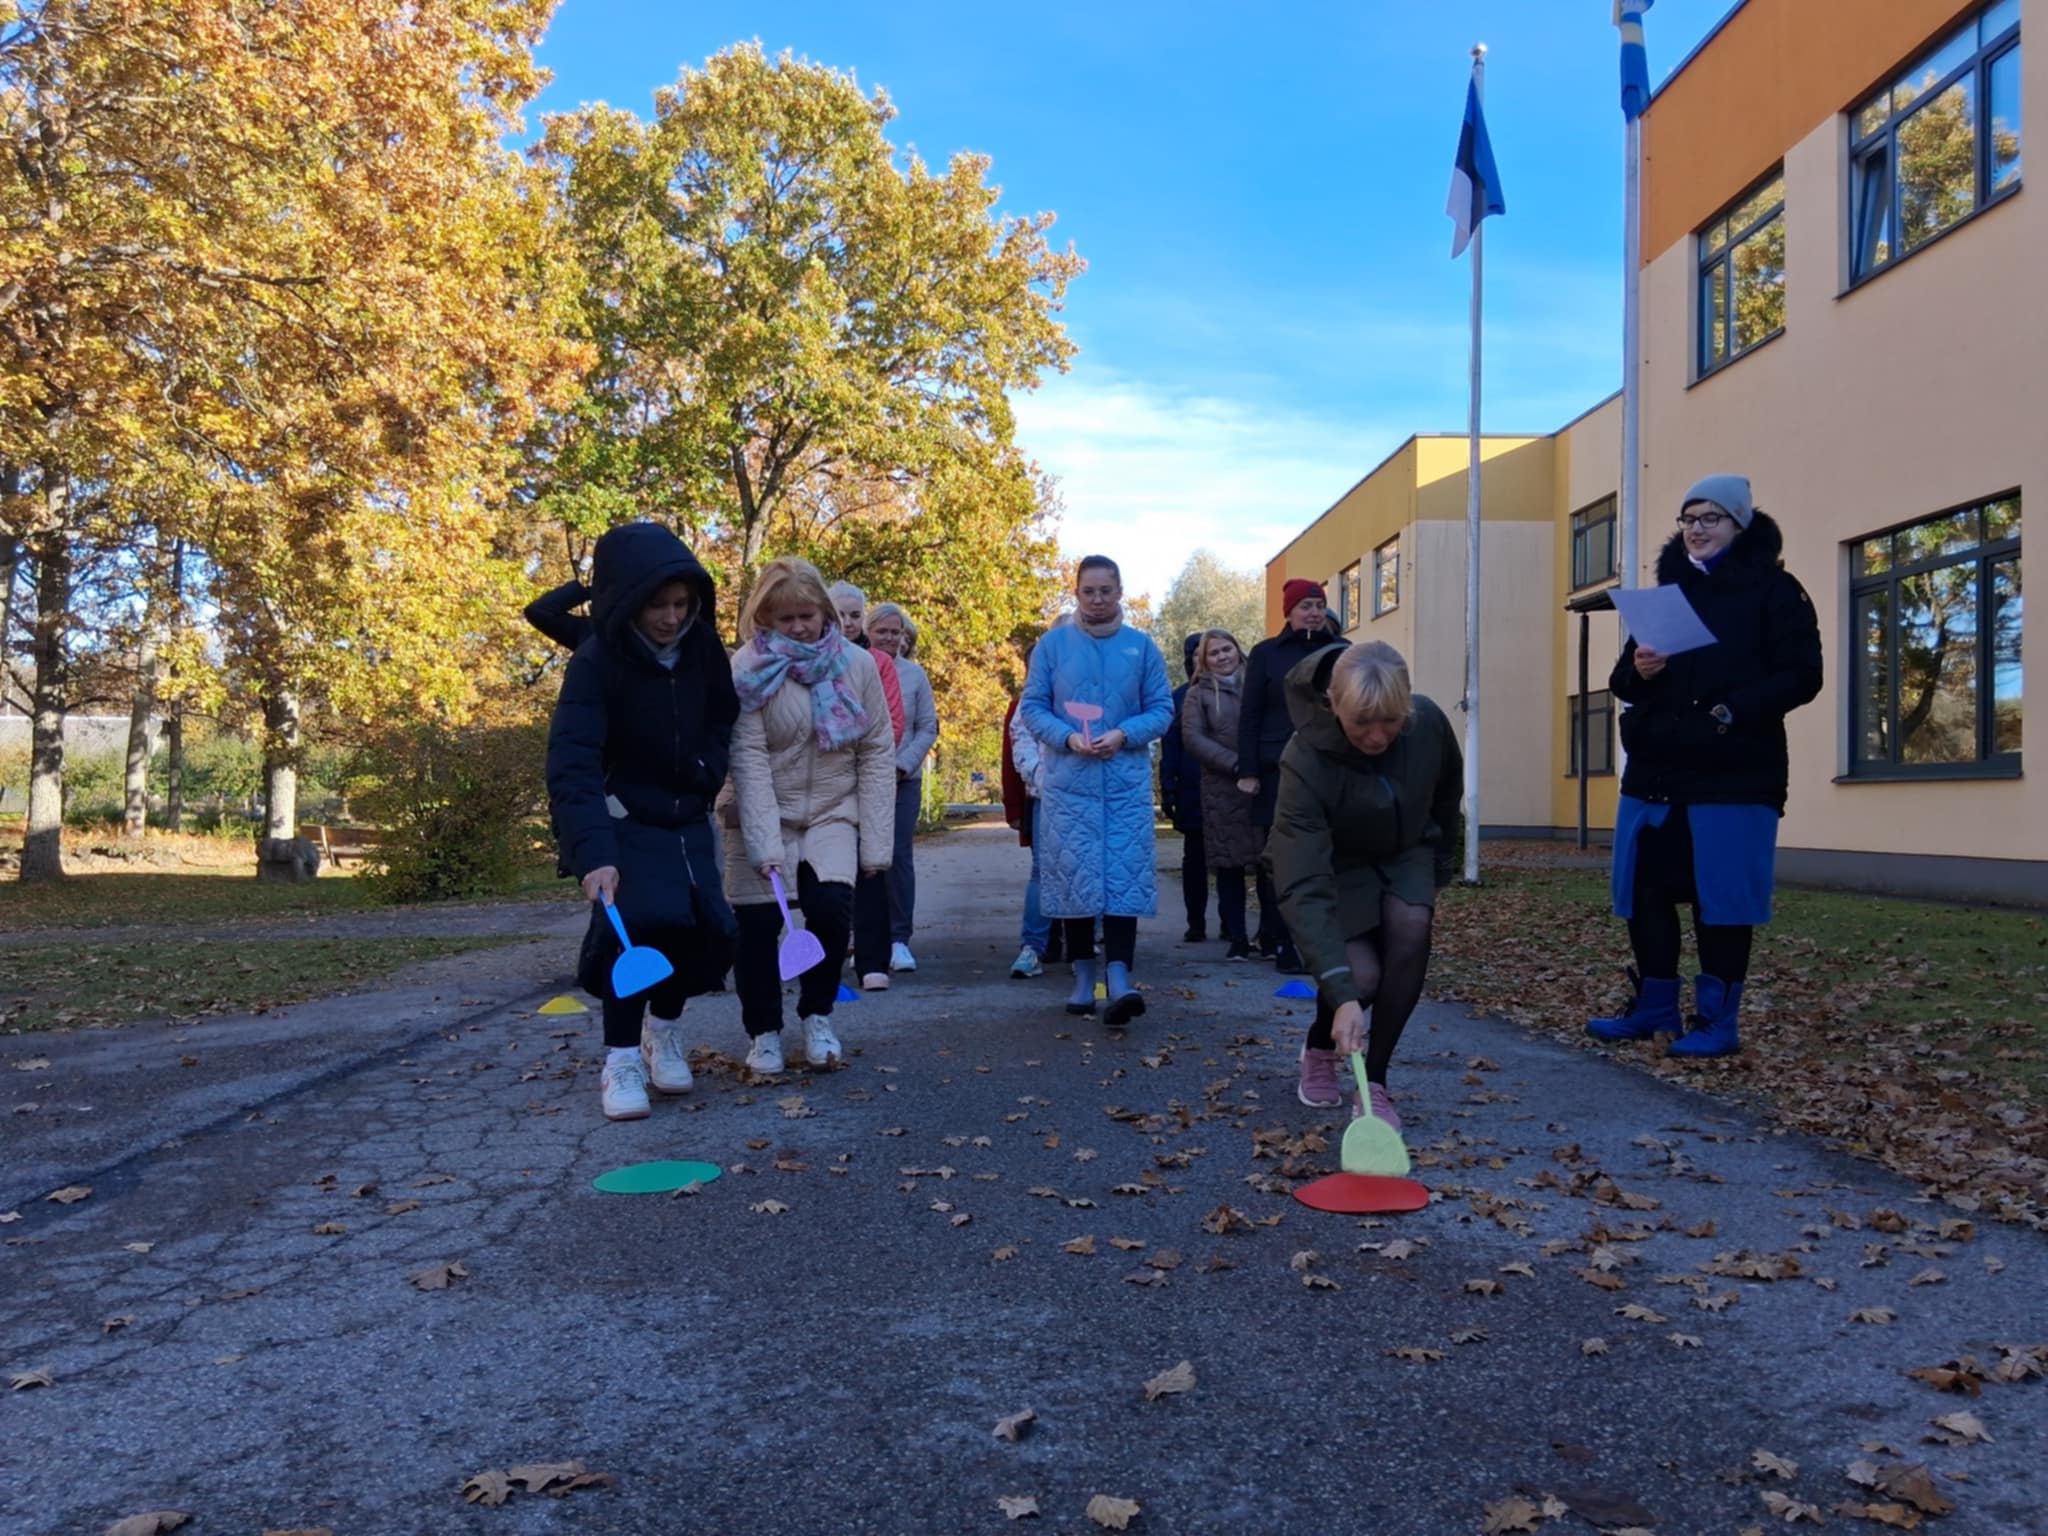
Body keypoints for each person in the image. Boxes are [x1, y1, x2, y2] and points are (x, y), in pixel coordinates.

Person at [1586, 475, 1822, 1058]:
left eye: (1710, 518)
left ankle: (1717, 1021)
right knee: (1646, 893)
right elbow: (1623, 683)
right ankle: (1654, 1009)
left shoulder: (1776, 591)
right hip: (1657, 774)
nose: (1695, 529)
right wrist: (1639, 669)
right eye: (1688, 519)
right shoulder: (1669, 595)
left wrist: (1730, 709)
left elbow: (1803, 674)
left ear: (1739, 524)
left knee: (1722, 899)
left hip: (1734, 775)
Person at [544, 523, 739, 1121]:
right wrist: (591, 852)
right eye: (658, 604)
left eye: (683, 604)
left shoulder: (703, 648)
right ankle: (621, 1059)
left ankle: (666, 1029)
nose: (671, 617)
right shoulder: (598, 659)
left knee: (700, 930)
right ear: (629, 599)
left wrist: (708, 768)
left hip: (687, 813)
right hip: (623, 816)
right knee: (638, 928)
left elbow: (721, 715)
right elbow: (572, 761)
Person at [1265, 640, 1462, 1126]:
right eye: (1362, 725)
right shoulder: (1304, 759)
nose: (1377, 737)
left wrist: (1438, 866)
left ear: (1407, 704)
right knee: (1362, 978)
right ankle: (1319, 1045)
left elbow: (1446, 795)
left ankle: (1374, 1082)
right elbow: (1302, 878)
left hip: (1406, 848)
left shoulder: (1428, 723)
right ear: (1334, 704)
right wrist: (1342, 992)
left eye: (1391, 722)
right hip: (1336, 863)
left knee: (1412, 924)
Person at [724, 557, 897, 1075]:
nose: (799, 627)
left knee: (828, 911)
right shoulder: (746, 668)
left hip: (831, 808)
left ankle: (817, 1015)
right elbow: (748, 756)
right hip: (760, 809)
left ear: (825, 612)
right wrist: (763, 845)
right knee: (756, 927)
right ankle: (764, 1032)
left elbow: (875, 750)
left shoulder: (857, 665)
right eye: (786, 619)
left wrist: (878, 846)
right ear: (766, 618)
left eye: (807, 616)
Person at [1017, 555, 1173, 1029]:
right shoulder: (1053, 646)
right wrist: (1067, 738)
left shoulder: (1141, 649)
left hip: (1124, 784)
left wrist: (1125, 734)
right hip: (1070, 783)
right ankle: (1084, 977)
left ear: (1120, 591)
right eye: (1089, 591)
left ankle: (1120, 975)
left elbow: (1162, 708)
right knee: (1075, 878)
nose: (1098, 599)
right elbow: (1033, 706)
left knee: (1122, 878)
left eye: (1107, 590)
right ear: (1077, 592)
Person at [1237, 578, 1341, 974]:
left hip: (1328, 765)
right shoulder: (1266, 654)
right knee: (1278, 856)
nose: (1313, 611)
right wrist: (1247, 770)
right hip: (1276, 766)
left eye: (1318, 604)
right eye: (1305, 606)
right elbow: (1250, 715)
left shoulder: (1341, 652)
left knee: (1323, 854)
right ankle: (1277, 938)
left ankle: (1317, 938)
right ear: (1289, 612)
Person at [828, 581, 906, 991]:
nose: (847, 622)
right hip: (823, 780)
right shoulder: (810, 659)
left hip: (867, 774)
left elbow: (891, 724)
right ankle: (827, 956)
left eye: (855, 615)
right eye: (839, 614)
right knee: (825, 873)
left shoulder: (879, 663)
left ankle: (873, 959)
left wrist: (848, 745)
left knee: (871, 867)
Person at [867, 602, 938, 973]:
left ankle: (898, 939)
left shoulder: (915, 676)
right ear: (869, 633)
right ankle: (860, 935)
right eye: (883, 631)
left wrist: (902, 763)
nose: (891, 638)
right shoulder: (855, 668)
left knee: (897, 857)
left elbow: (928, 727)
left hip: (901, 780)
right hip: (859, 778)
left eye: (896, 632)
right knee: (860, 858)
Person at [1180, 628, 1259, 960]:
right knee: (1230, 866)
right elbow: (1193, 738)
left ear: (1238, 650)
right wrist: (1236, 765)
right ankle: (1237, 936)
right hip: (1223, 790)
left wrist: (1261, 765)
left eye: (1227, 649)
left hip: (1263, 786)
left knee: (1268, 864)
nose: (1222, 656)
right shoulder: (1198, 695)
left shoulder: (1257, 685)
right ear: (1204, 661)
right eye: (1214, 653)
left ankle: (1270, 934)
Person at [1157, 633, 1211, 943]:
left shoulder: (1236, 693)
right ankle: (1196, 921)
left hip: (1228, 787)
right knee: (1195, 859)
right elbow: (1170, 748)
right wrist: (1169, 788)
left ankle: (1233, 923)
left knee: (1231, 859)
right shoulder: (1176, 699)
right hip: (1192, 788)